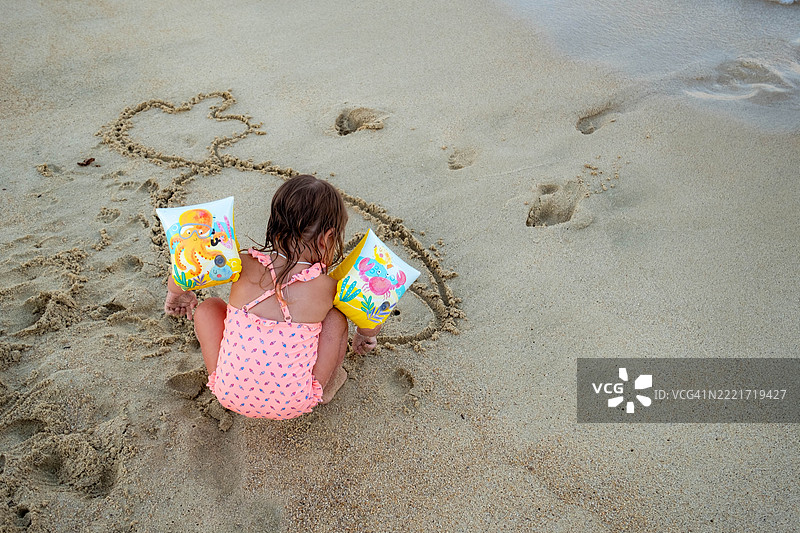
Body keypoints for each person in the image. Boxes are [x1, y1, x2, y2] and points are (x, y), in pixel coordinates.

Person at [163, 174, 380, 420]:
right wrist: (366, 335)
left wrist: (177, 294)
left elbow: (186, 273)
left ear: (274, 226)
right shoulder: (329, 288)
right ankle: (326, 386)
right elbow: (368, 315)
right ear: (326, 239)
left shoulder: (242, 263)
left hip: (227, 393)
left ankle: (224, 376)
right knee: (338, 319)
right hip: (294, 403)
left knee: (207, 308)